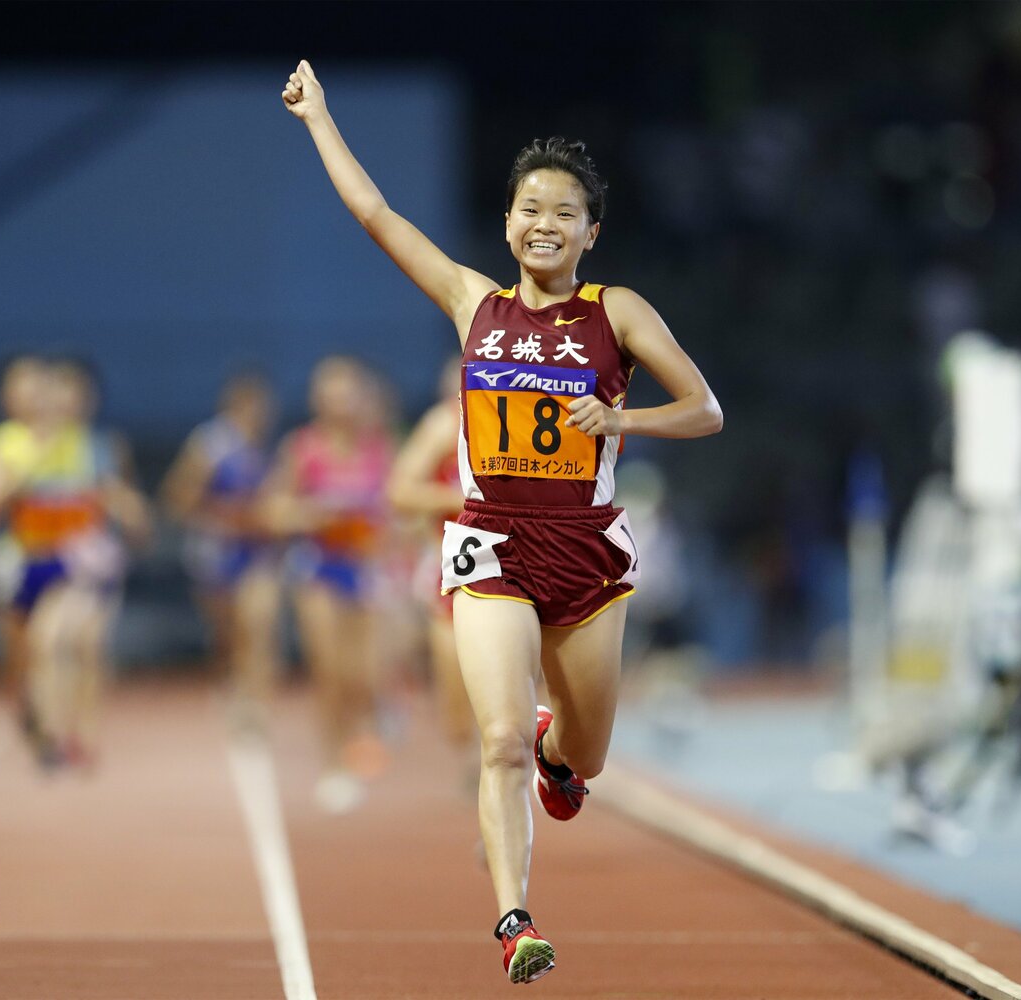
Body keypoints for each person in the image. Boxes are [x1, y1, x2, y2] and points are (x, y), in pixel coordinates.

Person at [283, 61, 723, 984]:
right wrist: (319, 118)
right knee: (499, 740)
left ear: (591, 233)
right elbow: (376, 214)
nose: (544, 223)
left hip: (587, 553)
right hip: (491, 546)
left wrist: (623, 420)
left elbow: (705, 410)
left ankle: (560, 757)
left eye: (565, 212)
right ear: (509, 221)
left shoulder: (617, 312)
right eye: (530, 208)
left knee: (584, 752)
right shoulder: (471, 303)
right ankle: (515, 920)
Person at [0, 355, 150, 771]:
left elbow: (127, 506)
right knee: (19, 662)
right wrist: (28, 467)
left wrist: (120, 507)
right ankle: (37, 722)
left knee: (59, 642)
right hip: (22, 561)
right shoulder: (2, 444)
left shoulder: (93, 445)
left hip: (76, 564)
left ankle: (68, 736)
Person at [260, 355, 394, 813]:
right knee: (330, 671)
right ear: (318, 400)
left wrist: (386, 534)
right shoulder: (303, 448)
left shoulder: (378, 448)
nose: (340, 404)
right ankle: (334, 765)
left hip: (364, 569)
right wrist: (312, 513)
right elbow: (273, 510)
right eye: (331, 396)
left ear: (360, 398)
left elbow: (395, 510)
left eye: (347, 395)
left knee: (362, 676)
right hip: (319, 567)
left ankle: (359, 737)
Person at [162, 372, 282, 729]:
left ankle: (256, 706)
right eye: (252, 407)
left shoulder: (266, 447)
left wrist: (266, 516)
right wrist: (221, 514)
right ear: (234, 406)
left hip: (256, 551)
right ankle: (229, 679)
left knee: (258, 623)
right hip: (216, 550)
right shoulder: (211, 444)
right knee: (228, 633)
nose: (259, 414)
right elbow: (176, 498)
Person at [387, 358, 478, 784]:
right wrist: (462, 499)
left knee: (518, 682)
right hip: (454, 572)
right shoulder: (444, 425)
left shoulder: (521, 418)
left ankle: (503, 764)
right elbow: (400, 492)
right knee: (456, 700)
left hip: (517, 568)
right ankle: (472, 751)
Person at [0, 353, 49, 740]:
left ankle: (59, 719)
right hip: (17, 556)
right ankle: (28, 711)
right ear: (4, 396)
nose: (32, 393)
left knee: (55, 642)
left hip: (65, 557)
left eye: (38, 384)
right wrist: (22, 476)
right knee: (18, 654)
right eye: (21, 385)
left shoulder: (70, 438)